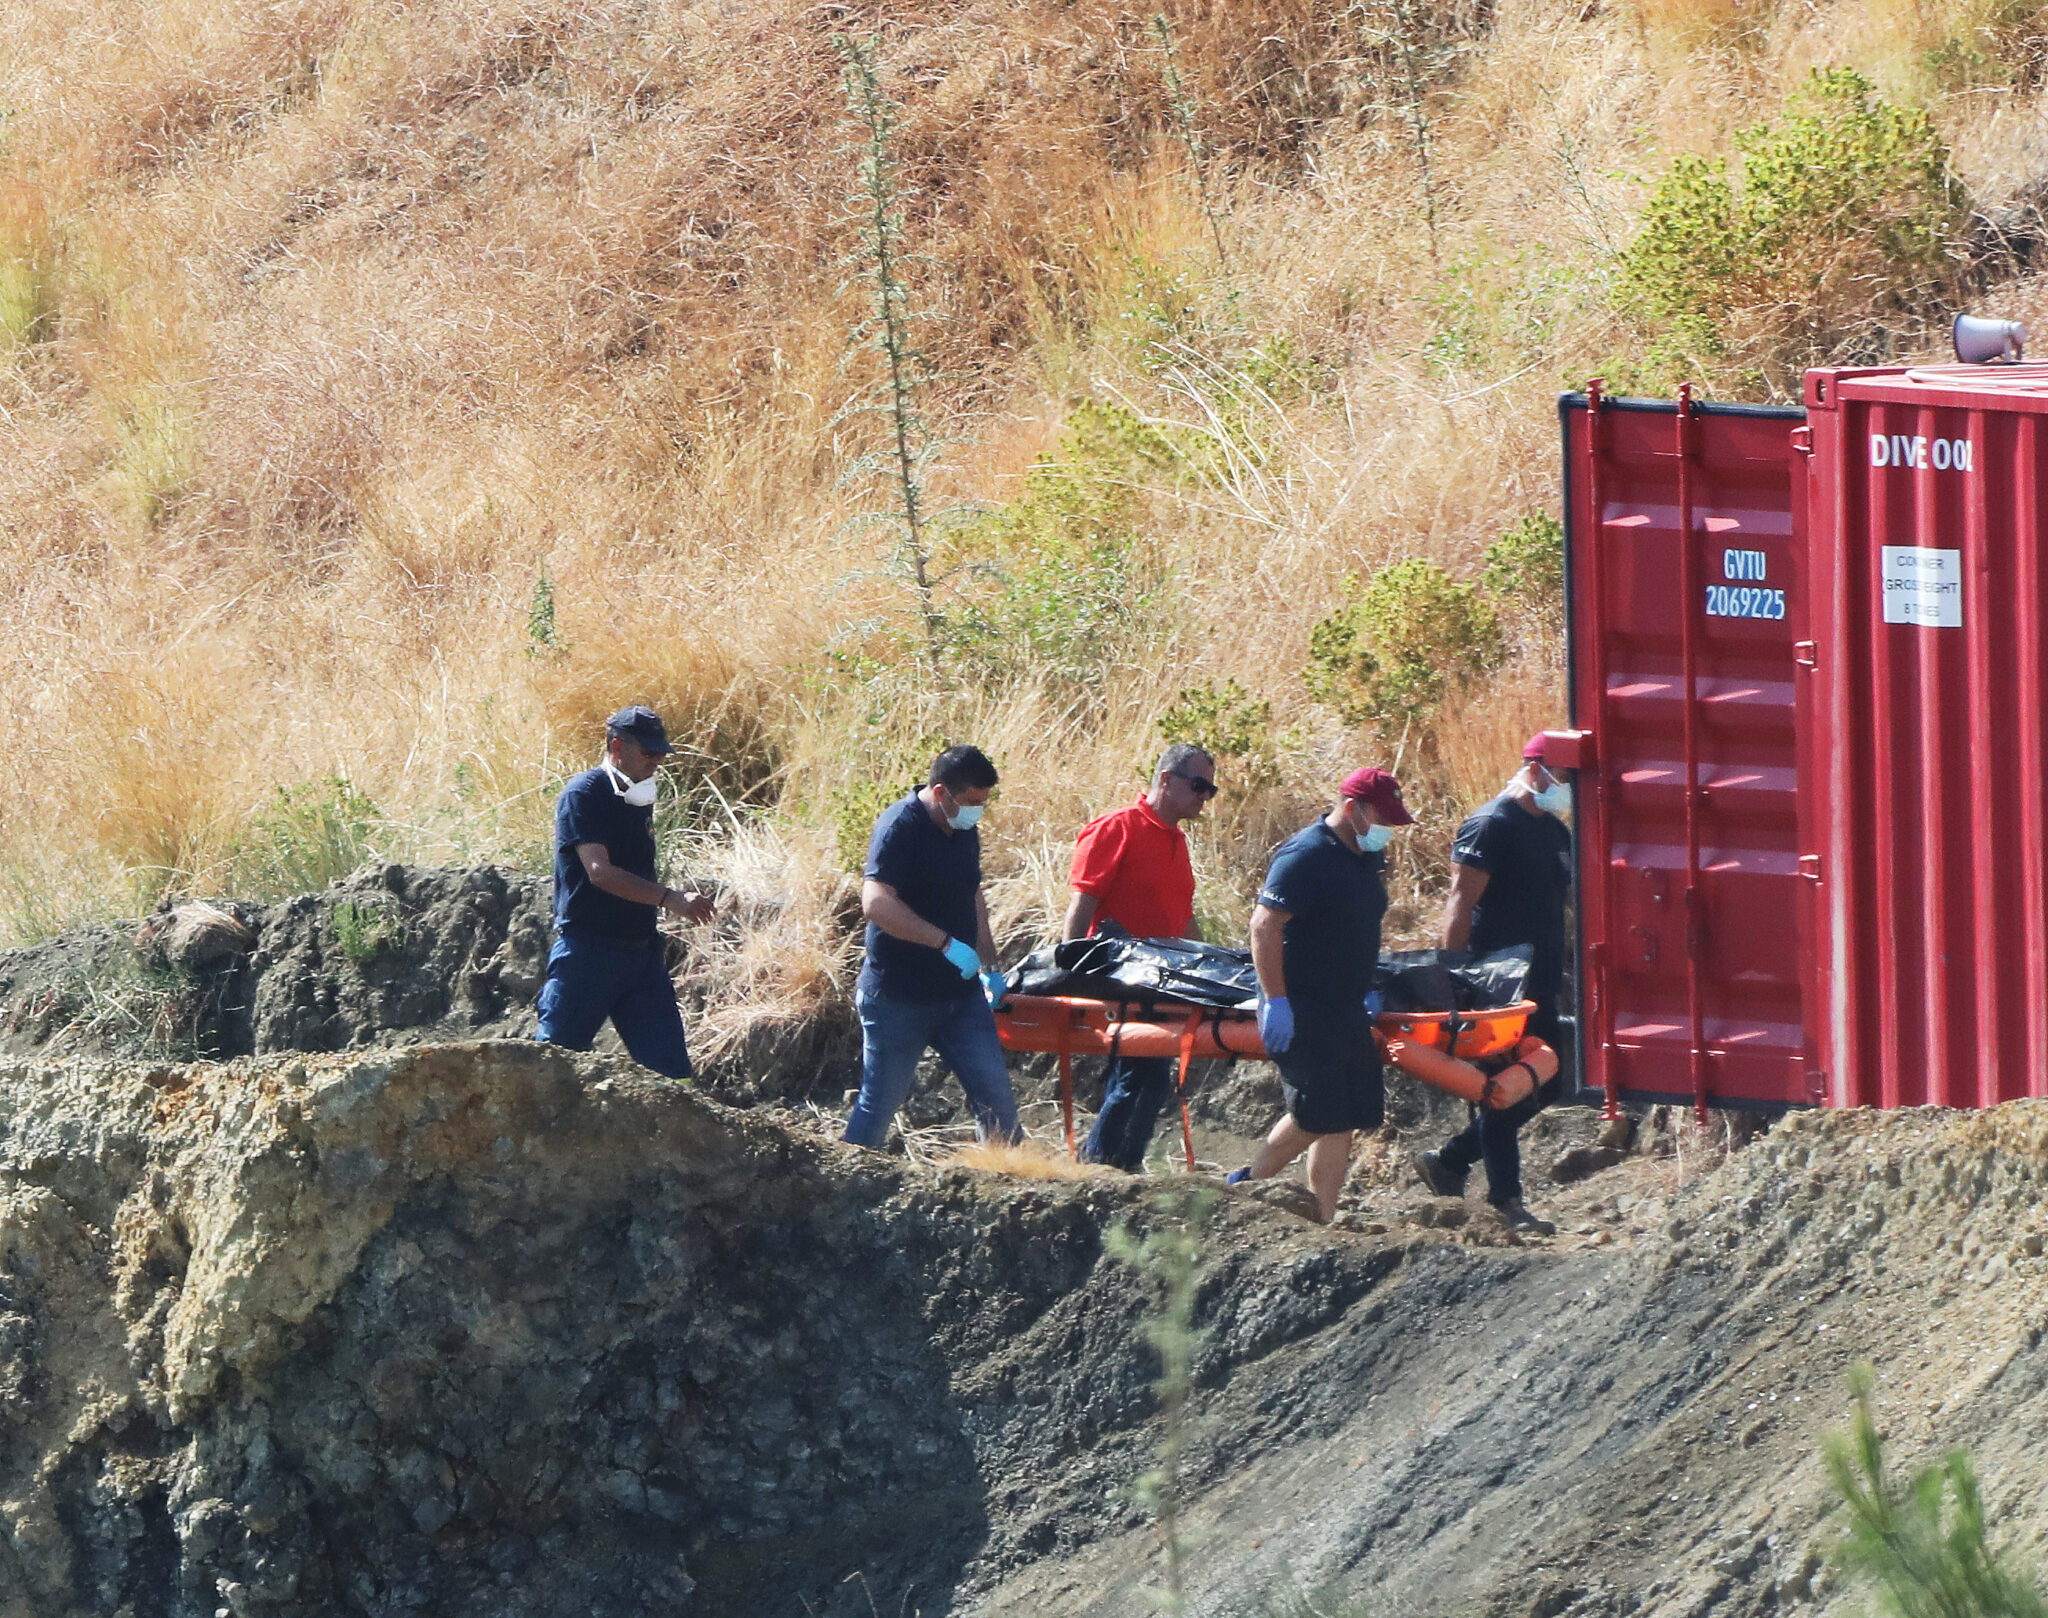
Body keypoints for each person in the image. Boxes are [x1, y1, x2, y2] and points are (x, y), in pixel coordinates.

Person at [1228, 767, 1413, 1223]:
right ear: (1352, 809)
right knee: (1315, 1112)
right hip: (1304, 1004)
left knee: (1344, 1115)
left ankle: (1323, 1217)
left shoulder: (1365, 858)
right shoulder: (1305, 855)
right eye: (1382, 818)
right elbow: (1264, 925)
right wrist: (1276, 1000)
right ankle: (1242, 1192)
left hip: (1346, 1003)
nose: (1388, 829)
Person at [1414, 732, 1574, 1234]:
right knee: (1496, 1086)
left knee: (1552, 1080)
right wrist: (1454, 975)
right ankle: (1505, 1199)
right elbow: (1460, 902)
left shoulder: (1554, 831)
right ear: (1534, 769)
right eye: (1562, 777)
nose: (1566, 788)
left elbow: (1566, 900)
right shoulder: (1490, 825)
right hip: (1495, 984)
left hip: (1541, 978)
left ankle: (1450, 1159)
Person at [842, 745, 1023, 1150]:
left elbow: (971, 895)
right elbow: (875, 902)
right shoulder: (899, 827)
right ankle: (841, 1193)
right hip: (898, 999)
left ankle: (1009, 1197)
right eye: (972, 802)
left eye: (984, 802)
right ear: (941, 793)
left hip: (960, 997)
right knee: (877, 1109)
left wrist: (989, 966)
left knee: (999, 1110)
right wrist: (943, 944)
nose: (978, 812)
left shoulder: (962, 828)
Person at [537, 705, 714, 1078]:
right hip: (588, 954)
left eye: (662, 753)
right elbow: (600, 873)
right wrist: (671, 899)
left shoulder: (638, 797)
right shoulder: (584, 794)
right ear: (618, 747)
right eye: (649, 752)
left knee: (674, 1077)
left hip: (641, 956)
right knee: (550, 1070)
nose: (658, 761)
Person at [1067, 742, 1219, 1171]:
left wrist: (1210, 964)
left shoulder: (1176, 842)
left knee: (1146, 1081)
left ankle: (1117, 1168)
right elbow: (1081, 907)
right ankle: (1099, 1168)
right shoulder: (1117, 828)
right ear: (1166, 780)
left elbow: (1182, 916)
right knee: (1140, 1078)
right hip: (1123, 974)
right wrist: (1075, 974)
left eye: (1211, 789)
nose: (1204, 796)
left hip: (1165, 977)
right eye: (1198, 785)